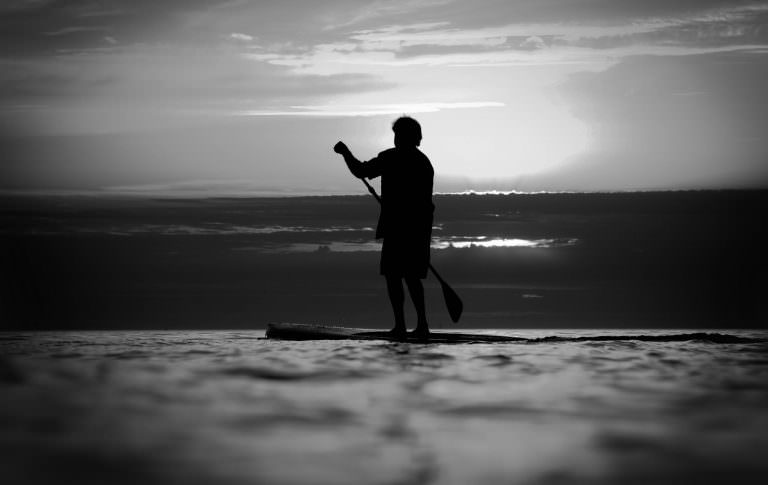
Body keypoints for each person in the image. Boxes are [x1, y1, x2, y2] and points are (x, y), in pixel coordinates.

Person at [333, 117, 434, 340]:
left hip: (400, 230)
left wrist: (345, 153)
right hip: (417, 231)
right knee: (410, 277)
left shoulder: (392, 158)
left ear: (406, 137)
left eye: (398, 134)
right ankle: (421, 326)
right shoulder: (424, 163)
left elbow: (360, 171)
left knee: (395, 275)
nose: (396, 138)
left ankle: (403, 326)